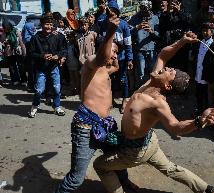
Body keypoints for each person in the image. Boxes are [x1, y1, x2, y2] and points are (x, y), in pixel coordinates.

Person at [93, 31, 214, 193]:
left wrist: (199, 120)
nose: (166, 67)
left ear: (167, 86)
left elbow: (176, 127)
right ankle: (206, 189)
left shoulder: (158, 103)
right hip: (150, 141)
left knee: (100, 166)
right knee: (171, 168)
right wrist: (182, 41)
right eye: (170, 68)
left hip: (135, 151)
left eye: (169, 71)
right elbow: (162, 55)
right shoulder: (152, 80)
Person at [54, 12, 133, 193]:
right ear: (103, 48)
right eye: (113, 50)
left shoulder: (105, 71)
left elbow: (116, 66)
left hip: (106, 124)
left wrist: (115, 57)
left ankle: (126, 185)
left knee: (117, 160)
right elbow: (100, 57)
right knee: (76, 178)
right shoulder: (91, 63)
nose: (115, 54)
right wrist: (111, 32)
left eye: (116, 52)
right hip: (86, 126)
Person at [28, 13, 66, 118]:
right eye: (46, 24)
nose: (48, 26)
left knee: (57, 88)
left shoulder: (57, 36)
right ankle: (34, 106)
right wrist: (42, 56)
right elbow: (31, 53)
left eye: (50, 24)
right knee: (39, 90)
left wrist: (57, 56)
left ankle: (57, 106)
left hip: (54, 67)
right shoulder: (35, 38)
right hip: (41, 68)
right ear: (42, 24)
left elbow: (63, 49)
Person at [128, 0, 159, 88]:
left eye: (145, 9)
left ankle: (151, 89)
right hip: (140, 50)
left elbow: (159, 35)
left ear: (149, 9)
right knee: (141, 73)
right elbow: (128, 32)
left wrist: (152, 31)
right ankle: (142, 91)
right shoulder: (134, 18)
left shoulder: (155, 18)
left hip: (152, 49)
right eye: (142, 9)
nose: (144, 11)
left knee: (152, 71)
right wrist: (137, 27)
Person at [2, 19, 27, 86]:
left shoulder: (16, 31)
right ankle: (15, 80)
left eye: (7, 28)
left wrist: (24, 52)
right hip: (9, 51)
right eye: (5, 28)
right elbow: (2, 41)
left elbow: (21, 42)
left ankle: (24, 80)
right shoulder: (4, 32)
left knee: (21, 66)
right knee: (12, 66)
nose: (6, 29)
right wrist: (5, 41)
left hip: (18, 50)